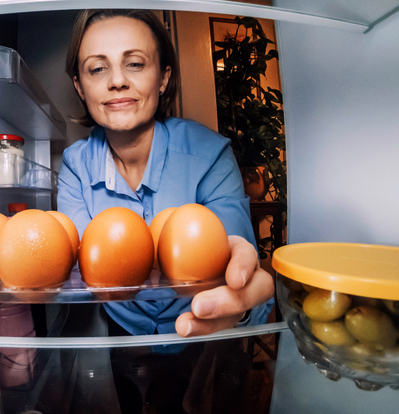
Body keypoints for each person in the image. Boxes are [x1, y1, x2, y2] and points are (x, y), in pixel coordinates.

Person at [58, 9, 274, 338]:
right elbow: (79, 266)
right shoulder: (75, 165)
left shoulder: (210, 156)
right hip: (124, 334)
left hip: (207, 336)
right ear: (80, 86)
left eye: (135, 63)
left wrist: (240, 300)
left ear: (163, 77)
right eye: (97, 68)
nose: (117, 80)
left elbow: (239, 275)